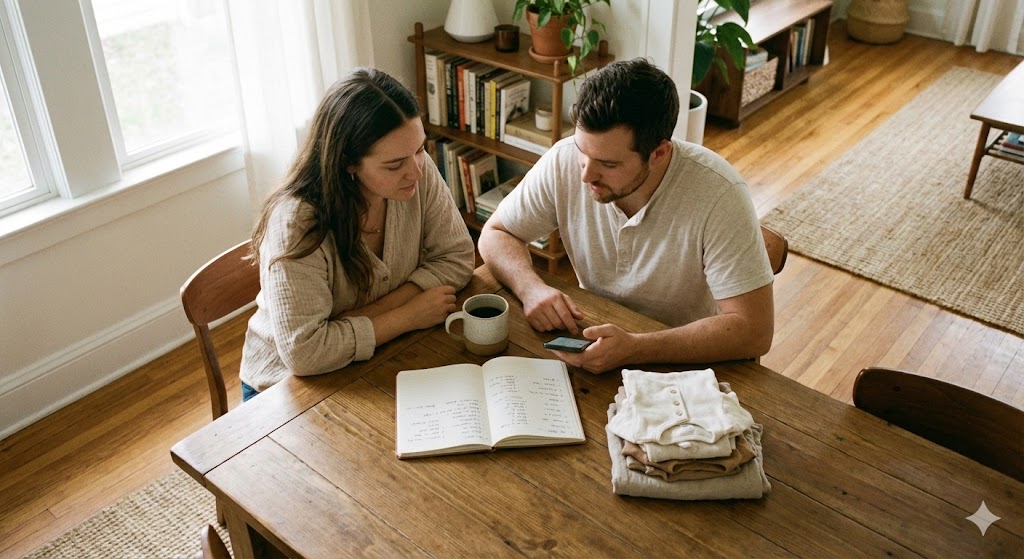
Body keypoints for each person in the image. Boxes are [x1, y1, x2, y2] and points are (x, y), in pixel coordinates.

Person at [478, 58, 774, 374]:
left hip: (685, 360)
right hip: (594, 340)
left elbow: (754, 331)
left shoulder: (720, 193)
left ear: (659, 153)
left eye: (609, 164)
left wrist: (635, 347)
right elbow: (496, 233)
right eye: (582, 150)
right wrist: (529, 287)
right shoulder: (565, 160)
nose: (585, 174)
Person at [239, 68, 476, 400]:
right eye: (393, 165)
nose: (416, 170)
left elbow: (458, 257)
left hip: (374, 357)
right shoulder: (295, 225)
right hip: (285, 387)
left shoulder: (416, 171)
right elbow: (305, 353)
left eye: (420, 149)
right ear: (348, 163)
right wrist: (407, 316)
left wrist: (377, 311)